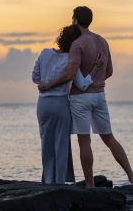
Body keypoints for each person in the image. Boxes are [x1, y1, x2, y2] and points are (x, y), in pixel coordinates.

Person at [38, 6, 133, 187]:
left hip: (80, 98)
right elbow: (109, 71)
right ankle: (132, 177)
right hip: (100, 95)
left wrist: (48, 85)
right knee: (109, 138)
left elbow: (70, 73)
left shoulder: (78, 44)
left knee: (84, 141)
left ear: (75, 20)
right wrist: (95, 81)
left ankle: (90, 185)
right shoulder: (102, 41)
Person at [32, 25, 101, 185]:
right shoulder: (71, 60)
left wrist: (44, 83)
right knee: (61, 144)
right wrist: (96, 67)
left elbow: (35, 76)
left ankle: (48, 180)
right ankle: (60, 181)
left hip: (43, 104)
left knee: (46, 142)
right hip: (61, 103)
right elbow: (83, 85)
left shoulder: (45, 53)